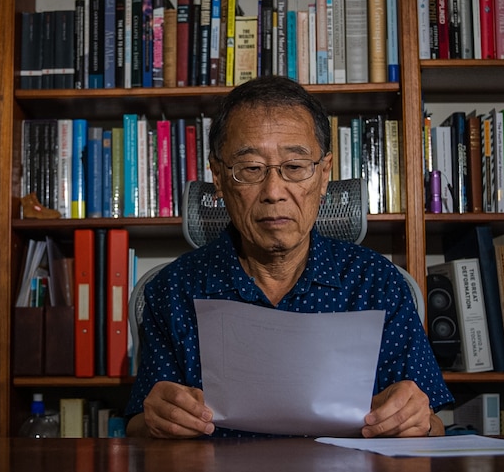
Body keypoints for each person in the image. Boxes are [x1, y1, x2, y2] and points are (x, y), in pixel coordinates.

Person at [126, 75, 453, 439]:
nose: (273, 192)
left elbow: (432, 425)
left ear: (324, 174)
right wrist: (156, 419)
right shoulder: (172, 290)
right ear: (218, 177)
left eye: (295, 167)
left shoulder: (377, 283)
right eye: (250, 169)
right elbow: (140, 426)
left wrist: (413, 419)